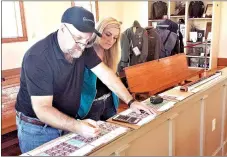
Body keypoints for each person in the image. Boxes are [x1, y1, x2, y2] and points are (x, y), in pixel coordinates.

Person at [15, 6, 155, 153]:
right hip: (38, 129)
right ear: (62, 28)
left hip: (67, 120)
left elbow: (106, 75)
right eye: (78, 38)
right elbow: (43, 109)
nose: (82, 46)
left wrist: (131, 101)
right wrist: (77, 126)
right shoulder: (38, 57)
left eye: (87, 40)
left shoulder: (83, 47)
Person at [78, 17, 122, 120]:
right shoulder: (83, 52)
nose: (111, 40)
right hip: (89, 107)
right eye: (108, 34)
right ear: (99, 31)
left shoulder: (111, 55)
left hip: (110, 103)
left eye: (115, 37)